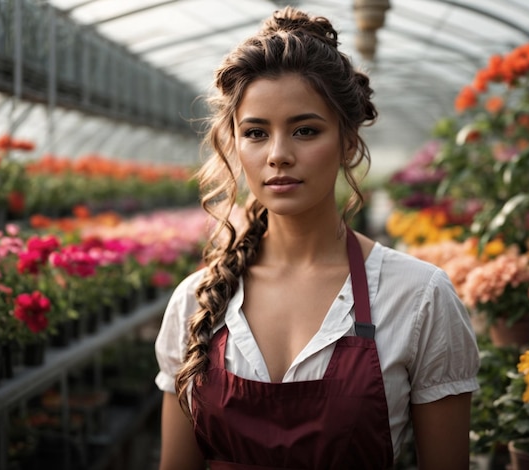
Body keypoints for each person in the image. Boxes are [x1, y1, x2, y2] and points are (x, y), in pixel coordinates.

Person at [154, 6, 480, 470]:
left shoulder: (418, 296)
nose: (279, 155)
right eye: (256, 133)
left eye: (305, 130)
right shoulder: (197, 301)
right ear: (234, 143)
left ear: (349, 141)